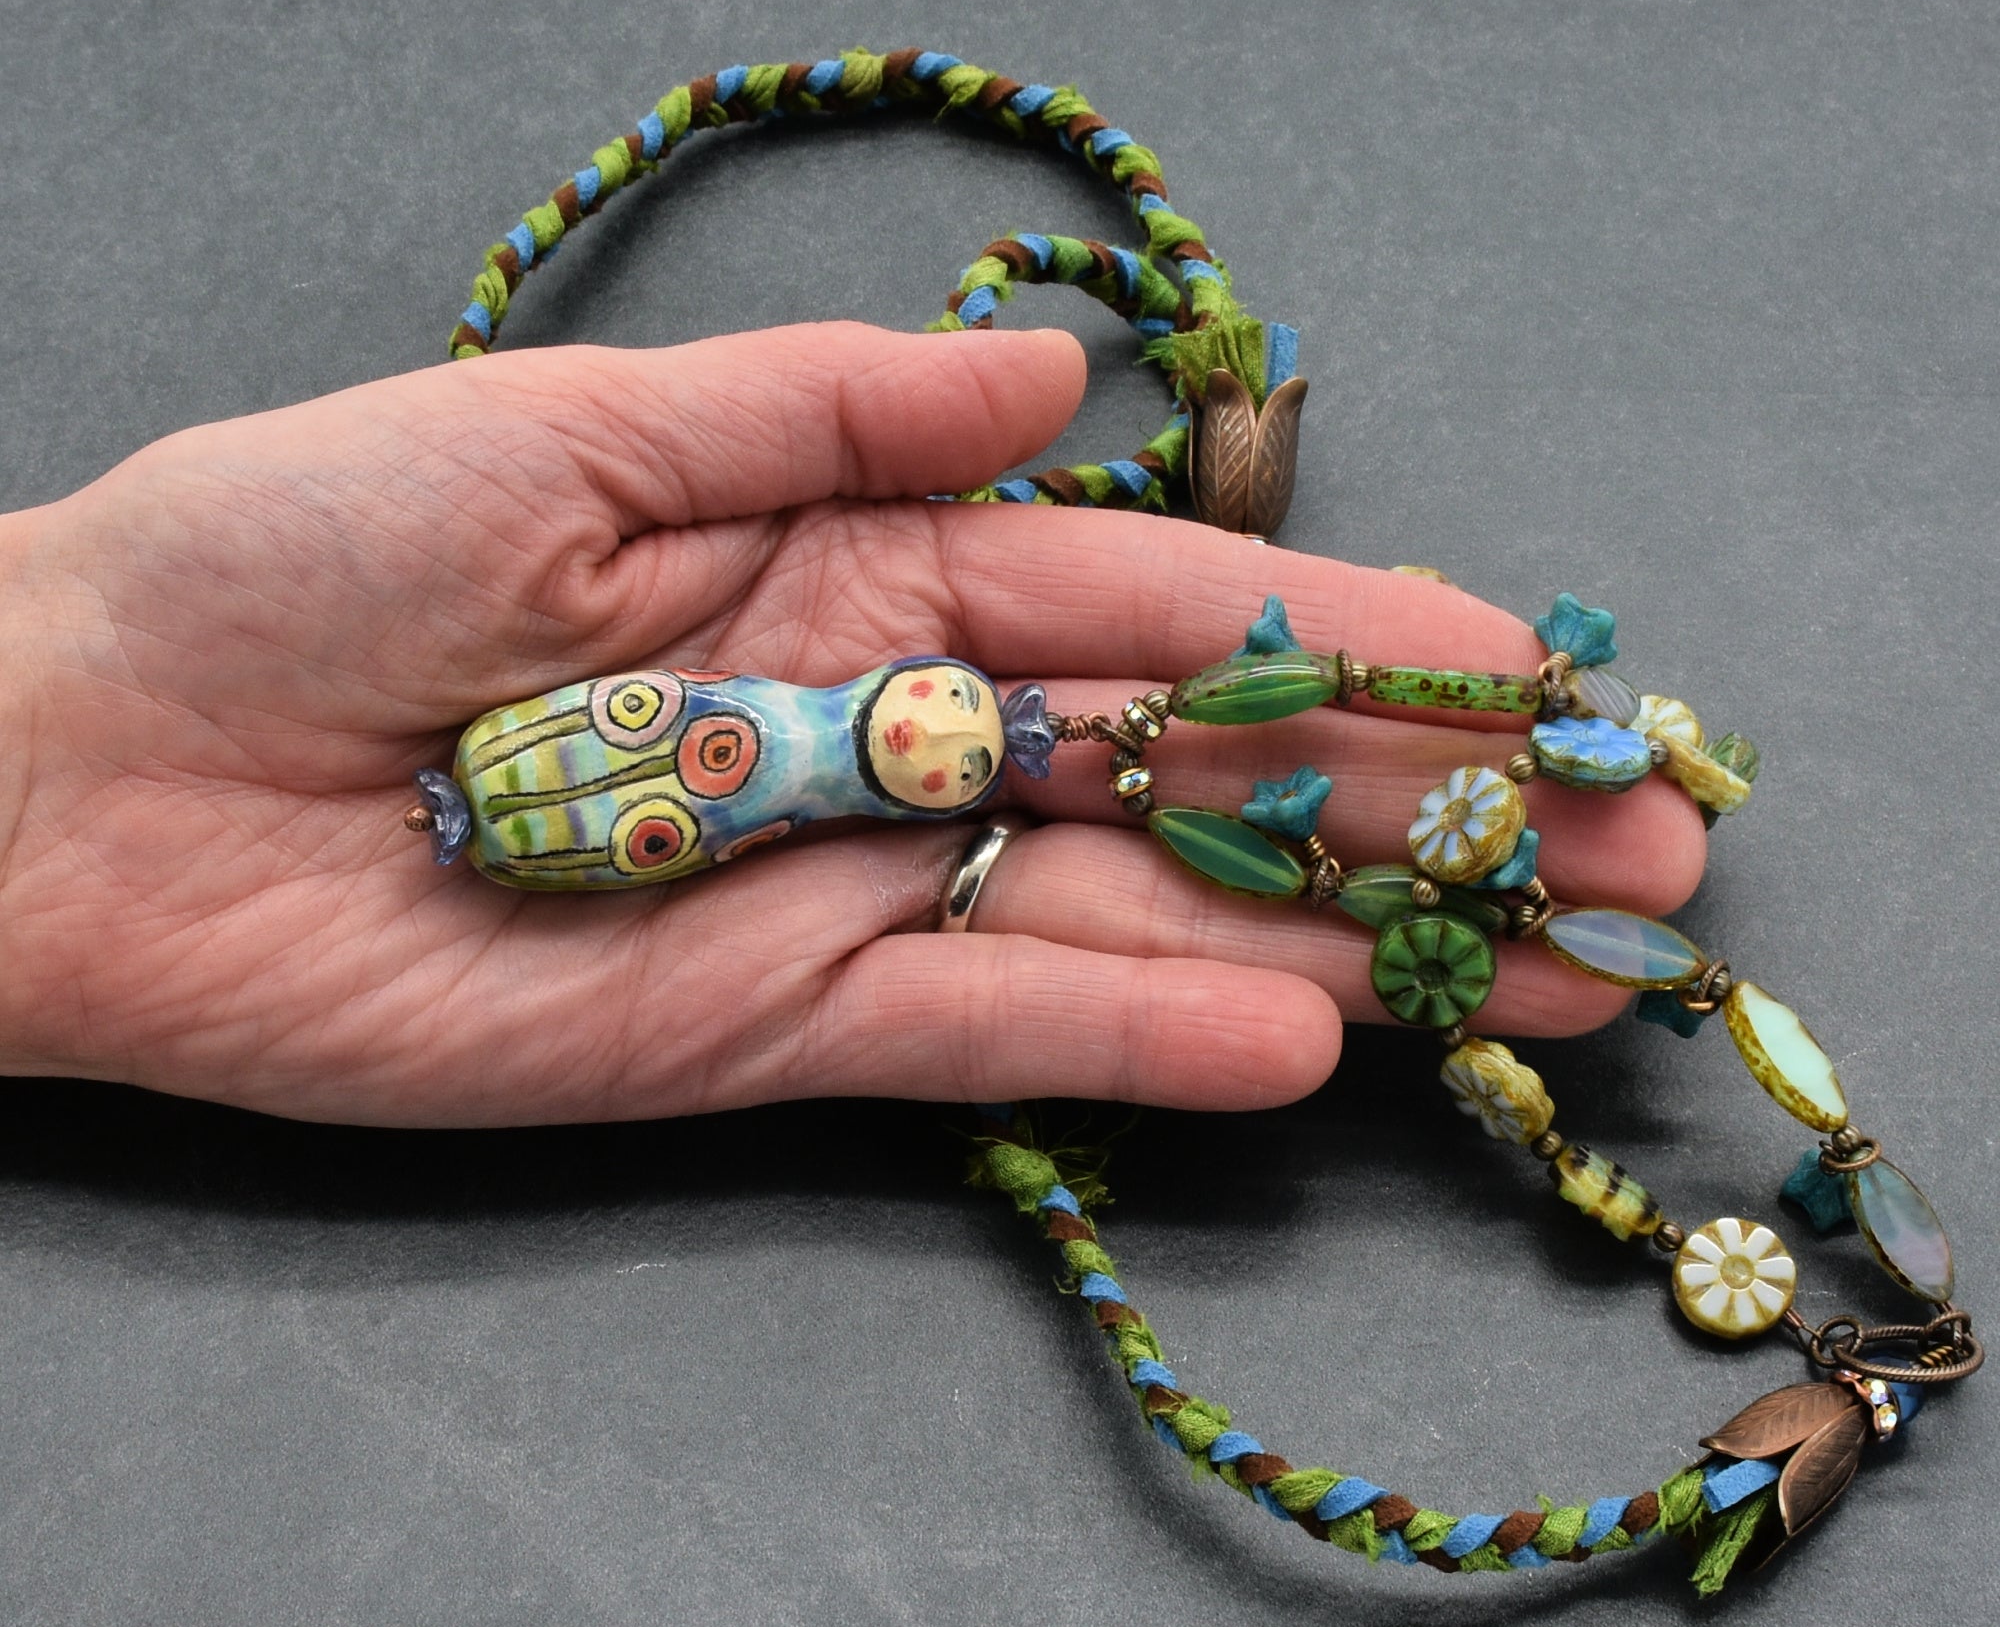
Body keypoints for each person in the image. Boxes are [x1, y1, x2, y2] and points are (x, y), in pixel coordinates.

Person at [0, 322, 1704, 1125]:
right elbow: (707, 757)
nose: (929, 751)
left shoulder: (816, 741)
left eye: (937, 748)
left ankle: (1571, 751)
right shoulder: (771, 745)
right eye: (931, 743)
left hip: (649, 788)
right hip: (608, 793)